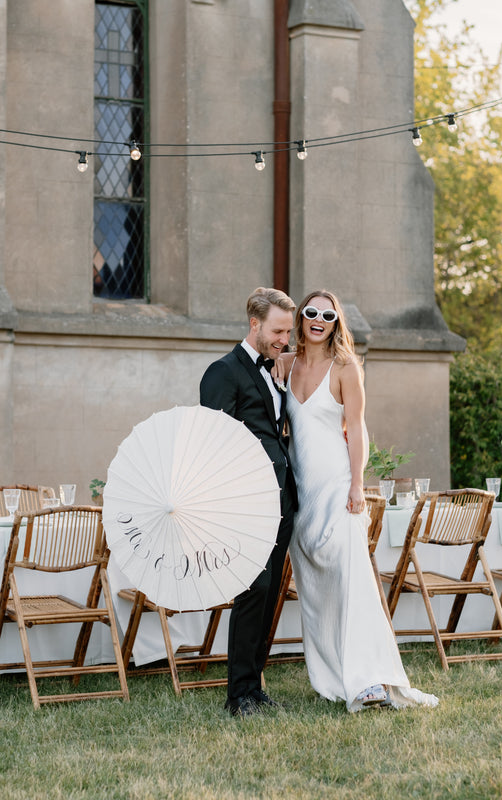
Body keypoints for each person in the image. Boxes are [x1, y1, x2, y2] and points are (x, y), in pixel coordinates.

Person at [275, 289, 438, 712]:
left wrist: (356, 484)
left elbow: (357, 428)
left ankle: (369, 682)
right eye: (310, 312)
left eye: (327, 315)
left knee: (354, 584)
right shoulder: (286, 365)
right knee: (316, 589)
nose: (317, 320)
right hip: (302, 494)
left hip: (338, 488)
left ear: (335, 323)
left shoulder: (346, 367)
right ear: (302, 320)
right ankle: (333, 676)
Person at [200, 287, 298, 717]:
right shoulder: (222, 372)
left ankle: (255, 687)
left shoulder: (273, 370)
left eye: (288, 332)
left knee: (270, 592)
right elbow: (216, 444)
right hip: (247, 505)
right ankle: (238, 695)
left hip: (283, 501)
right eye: (278, 331)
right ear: (254, 324)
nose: (284, 339)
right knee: (252, 592)